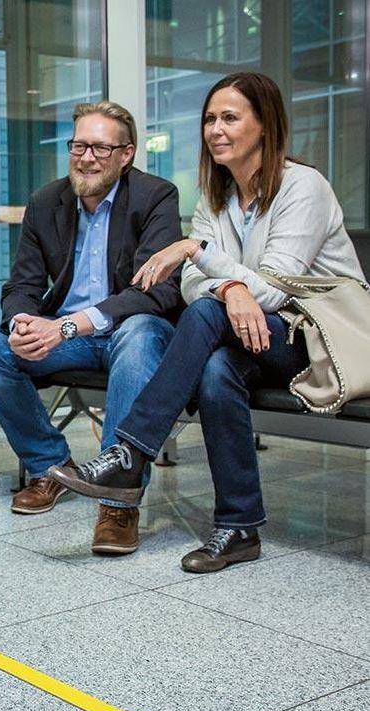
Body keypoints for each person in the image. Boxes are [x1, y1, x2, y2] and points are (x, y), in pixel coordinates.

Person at [49, 72, 365, 573]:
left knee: (206, 312)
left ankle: (130, 452)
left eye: (230, 118)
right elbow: (197, 283)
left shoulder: (303, 188)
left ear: (265, 126)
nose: (215, 129)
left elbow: (276, 290)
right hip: (249, 336)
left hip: (316, 340)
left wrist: (198, 253)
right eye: (209, 119)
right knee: (217, 370)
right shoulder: (216, 196)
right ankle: (238, 528)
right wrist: (229, 286)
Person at [0, 101, 183, 555]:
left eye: (100, 149)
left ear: (126, 154)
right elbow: (22, 283)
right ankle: (50, 466)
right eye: (78, 146)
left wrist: (66, 327)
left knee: (141, 331)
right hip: (70, 339)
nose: (86, 158)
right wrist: (24, 322)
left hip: (128, 332)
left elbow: (157, 292)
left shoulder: (155, 196)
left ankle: (117, 499)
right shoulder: (48, 201)